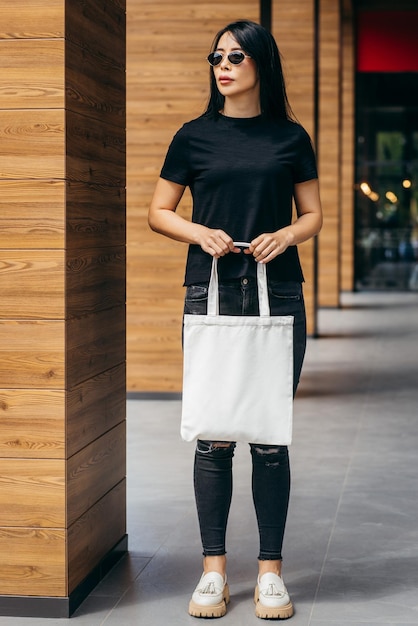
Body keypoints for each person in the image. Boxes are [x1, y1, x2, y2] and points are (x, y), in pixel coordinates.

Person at [148, 19, 323, 620]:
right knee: (214, 433)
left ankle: (270, 573)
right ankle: (213, 571)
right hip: (209, 291)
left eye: (235, 57)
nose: (222, 66)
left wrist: (286, 235)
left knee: (271, 437)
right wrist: (200, 232)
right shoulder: (193, 137)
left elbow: (314, 215)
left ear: (261, 66)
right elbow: (159, 211)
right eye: (216, 56)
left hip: (281, 294)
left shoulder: (291, 138)